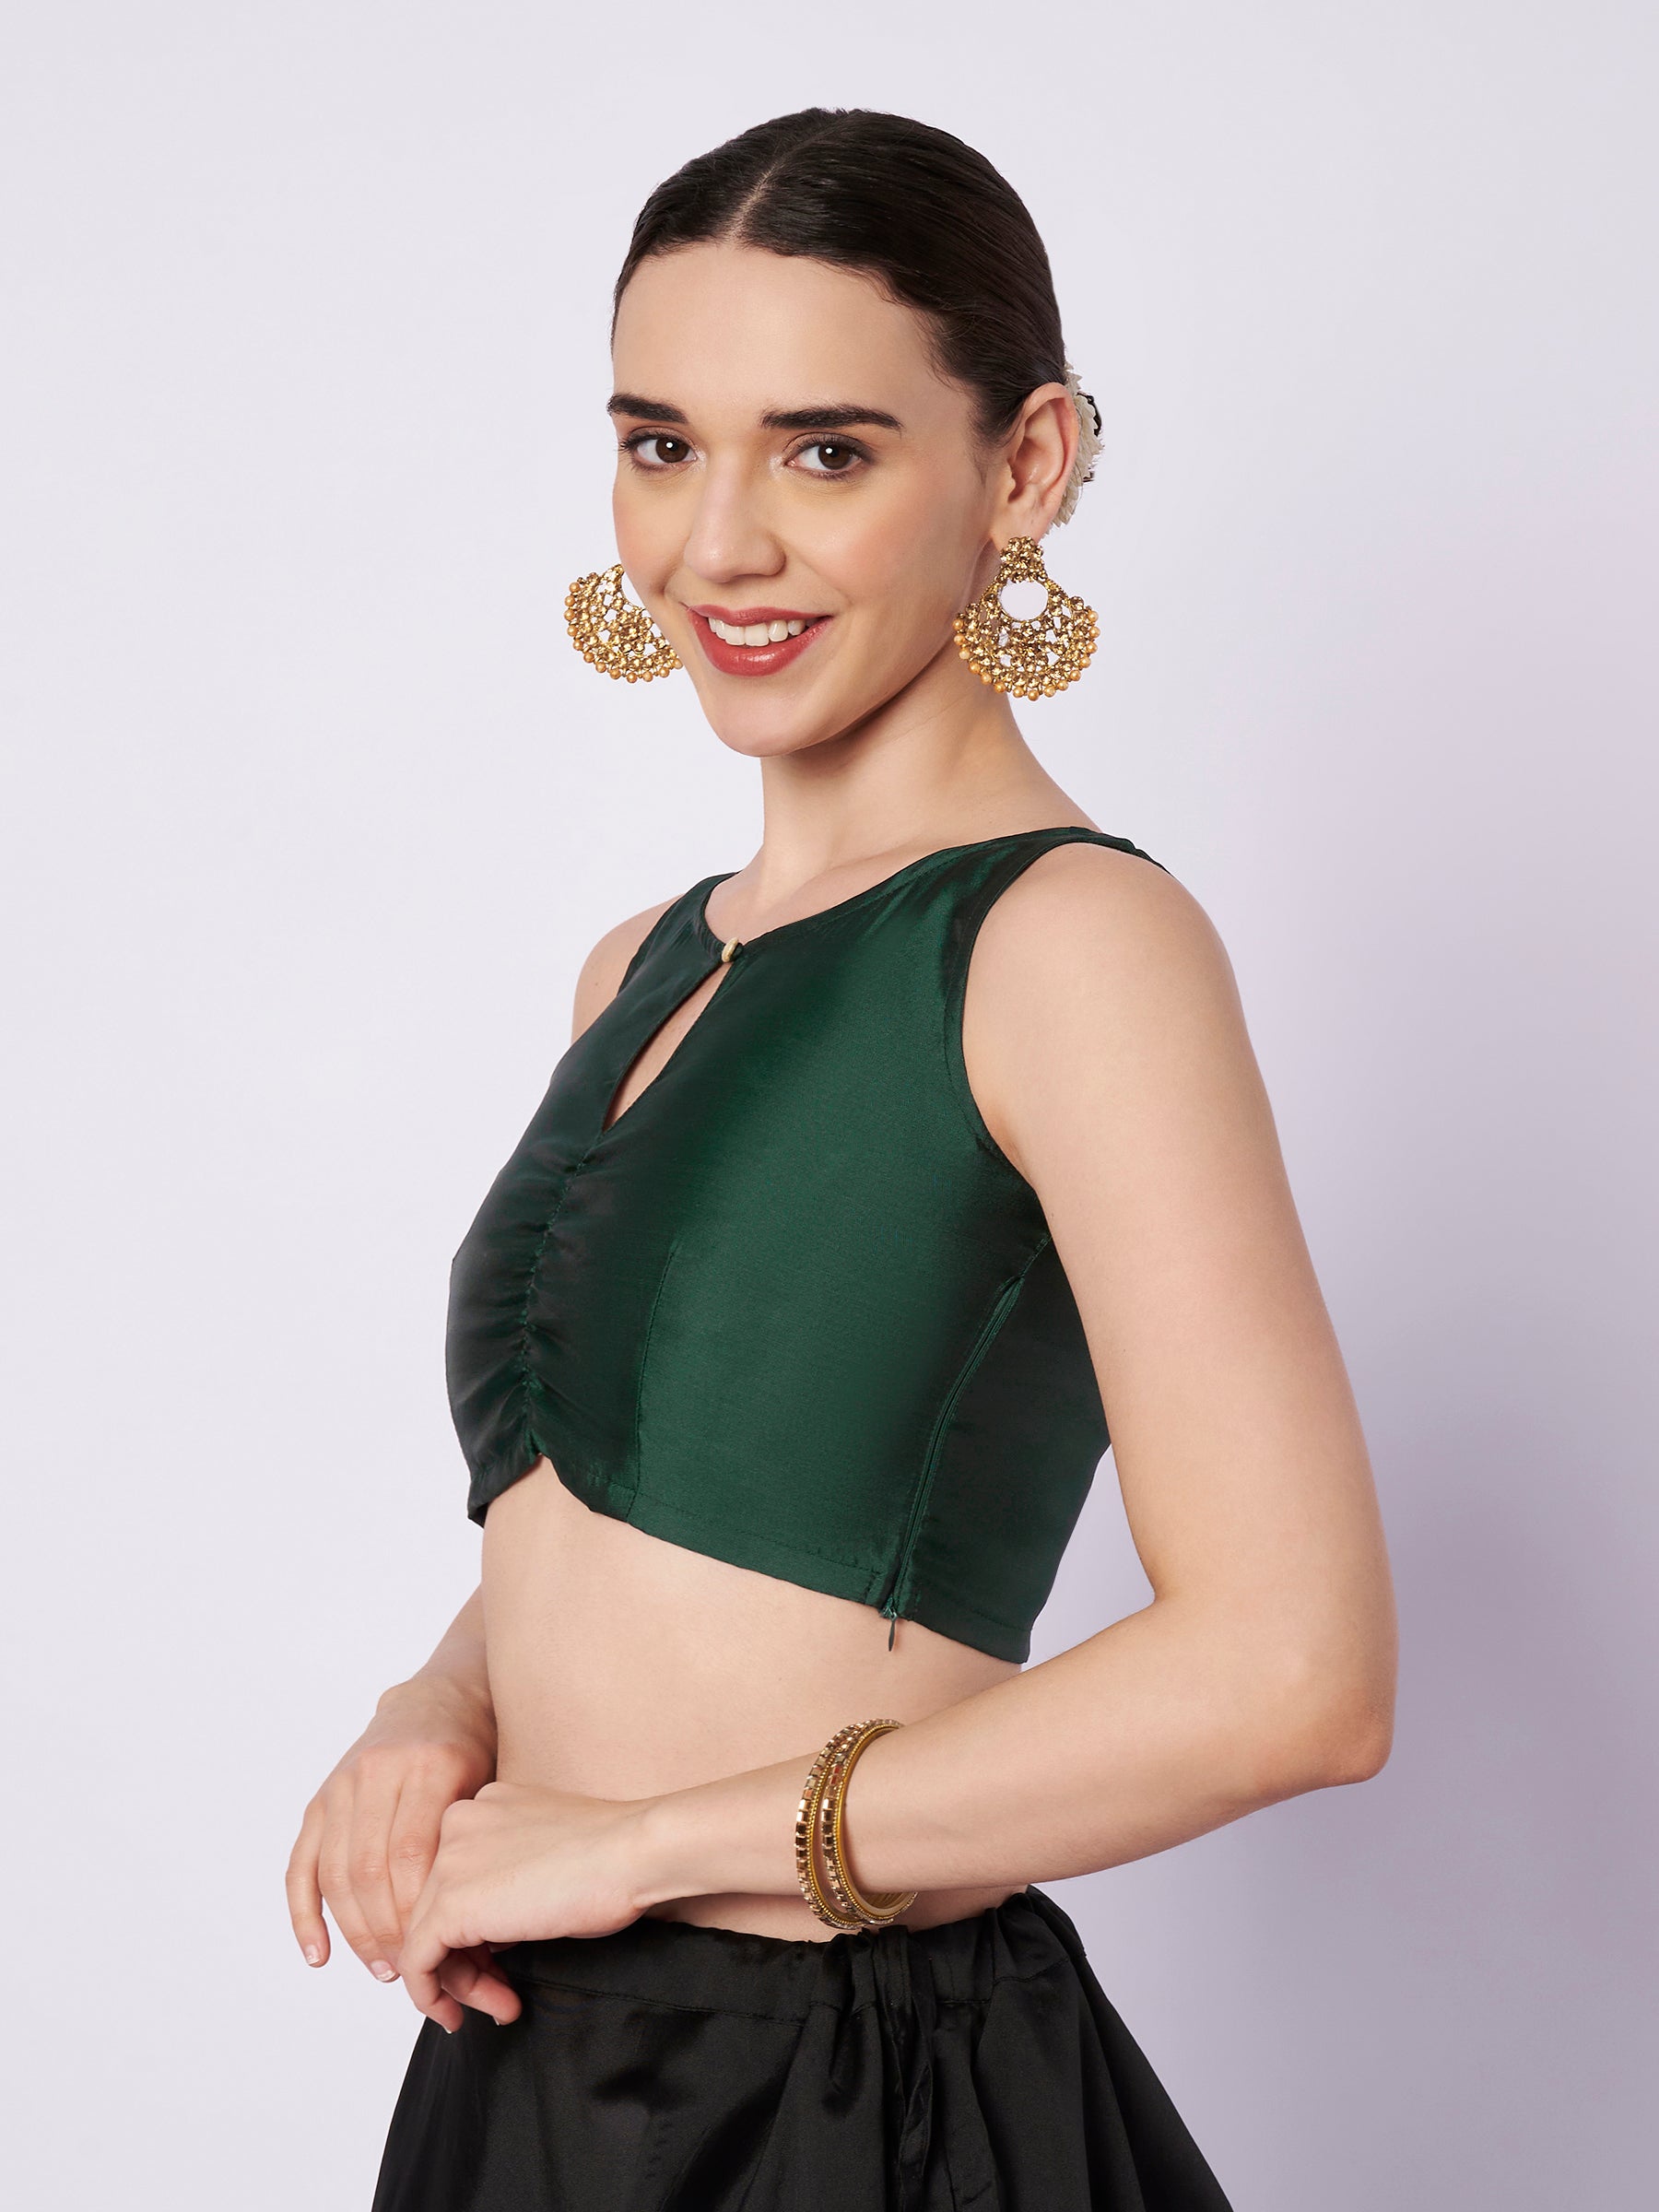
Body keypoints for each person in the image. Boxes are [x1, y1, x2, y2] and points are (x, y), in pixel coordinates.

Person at [286, 107, 1397, 2212]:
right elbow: (614, 1516)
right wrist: (439, 1707)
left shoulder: (1071, 944)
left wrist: (645, 1847)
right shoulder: (641, 962)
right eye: (661, 445)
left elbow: (1295, 1671)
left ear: (1026, 464)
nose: (717, 546)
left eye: (824, 451)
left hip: (844, 2093)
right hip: (534, 2054)